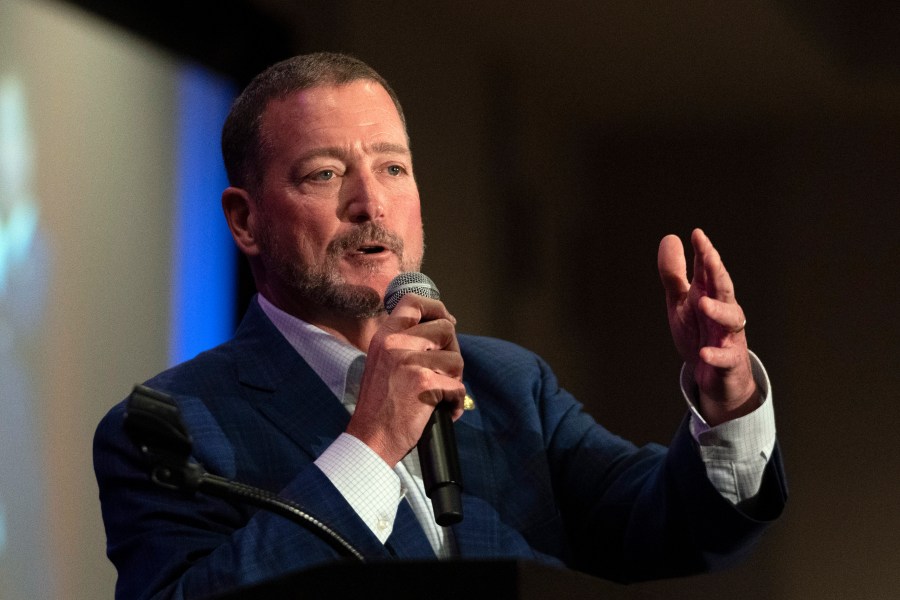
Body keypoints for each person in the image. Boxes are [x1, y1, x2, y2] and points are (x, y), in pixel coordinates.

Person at [94, 52, 786, 600]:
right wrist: (371, 443)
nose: (371, 203)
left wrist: (725, 400)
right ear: (246, 220)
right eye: (325, 173)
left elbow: (675, 528)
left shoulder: (511, 384)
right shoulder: (168, 430)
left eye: (393, 167)